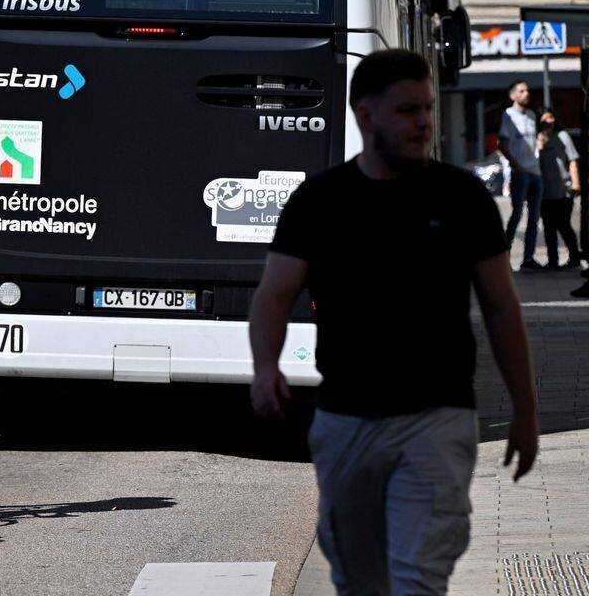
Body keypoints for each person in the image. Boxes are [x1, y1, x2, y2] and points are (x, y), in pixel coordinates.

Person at [249, 50, 539, 595]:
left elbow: (502, 307)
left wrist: (525, 409)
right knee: (360, 582)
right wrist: (266, 367)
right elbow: (272, 296)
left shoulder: (462, 198)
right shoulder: (321, 200)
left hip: (438, 418)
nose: (425, 122)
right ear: (365, 115)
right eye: (408, 110)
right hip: (346, 421)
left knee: (418, 579)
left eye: (427, 108)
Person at [500, 81, 544, 269]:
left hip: (535, 172)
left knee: (534, 218)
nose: (527, 93)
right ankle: (504, 258)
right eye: (522, 91)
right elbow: (502, 144)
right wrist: (515, 166)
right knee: (517, 215)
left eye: (527, 90)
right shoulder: (508, 115)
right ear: (513, 96)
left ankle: (528, 259)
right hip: (520, 173)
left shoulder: (532, 115)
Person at [536, 128, 582, 269]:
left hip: (563, 190)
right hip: (544, 191)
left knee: (564, 225)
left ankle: (574, 258)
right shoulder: (537, 137)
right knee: (549, 228)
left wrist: (575, 183)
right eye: (545, 119)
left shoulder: (562, 136)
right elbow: (532, 162)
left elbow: (573, 160)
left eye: (551, 118)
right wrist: (540, 147)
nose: (549, 122)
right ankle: (553, 261)